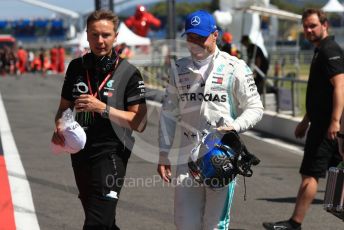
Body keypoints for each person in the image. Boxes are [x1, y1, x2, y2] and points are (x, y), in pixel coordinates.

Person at [157, 10, 263, 230]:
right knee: (185, 224)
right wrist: (163, 153)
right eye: (191, 37)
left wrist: (235, 125)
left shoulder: (235, 67)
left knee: (215, 225)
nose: (195, 43)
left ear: (215, 35)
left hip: (220, 156)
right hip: (186, 157)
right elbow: (167, 112)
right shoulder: (178, 69)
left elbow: (255, 107)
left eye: (201, 37)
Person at [51, 10, 147, 230]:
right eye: (94, 35)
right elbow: (63, 109)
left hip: (112, 153)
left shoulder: (128, 72)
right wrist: (59, 126)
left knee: (96, 223)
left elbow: (139, 122)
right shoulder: (76, 67)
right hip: (80, 153)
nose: (100, 41)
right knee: (105, 222)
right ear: (86, 35)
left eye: (105, 35)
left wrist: (103, 108)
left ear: (115, 36)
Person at [263, 8, 344, 230]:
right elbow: (321, 92)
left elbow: (340, 85)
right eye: (305, 26)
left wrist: (335, 121)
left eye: (312, 25)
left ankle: (294, 223)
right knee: (335, 171)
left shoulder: (329, 50)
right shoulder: (321, 50)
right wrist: (306, 119)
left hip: (328, 127)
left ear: (324, 25)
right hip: (323, 123)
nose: (308, 30)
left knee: (310, 174)